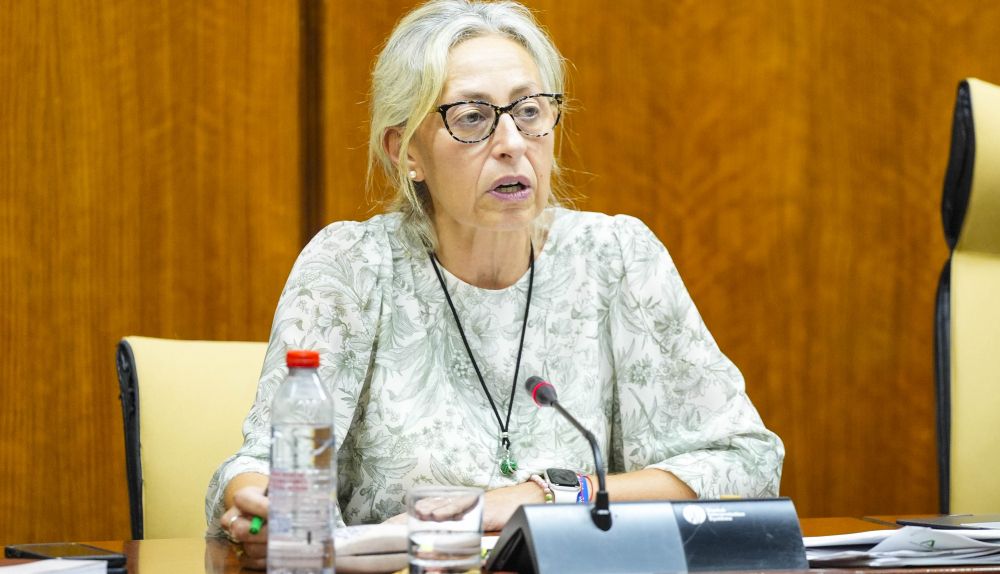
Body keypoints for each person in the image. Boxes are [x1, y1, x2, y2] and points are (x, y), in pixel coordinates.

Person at [207, 0, 784, 568]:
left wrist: (543, 496)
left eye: (529, 111)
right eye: (472, 118)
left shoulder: (616, 257)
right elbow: (260, 468)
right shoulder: (352, 266)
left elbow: (746, 464)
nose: (512, 142)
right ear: (406, 153)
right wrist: (259, 503)